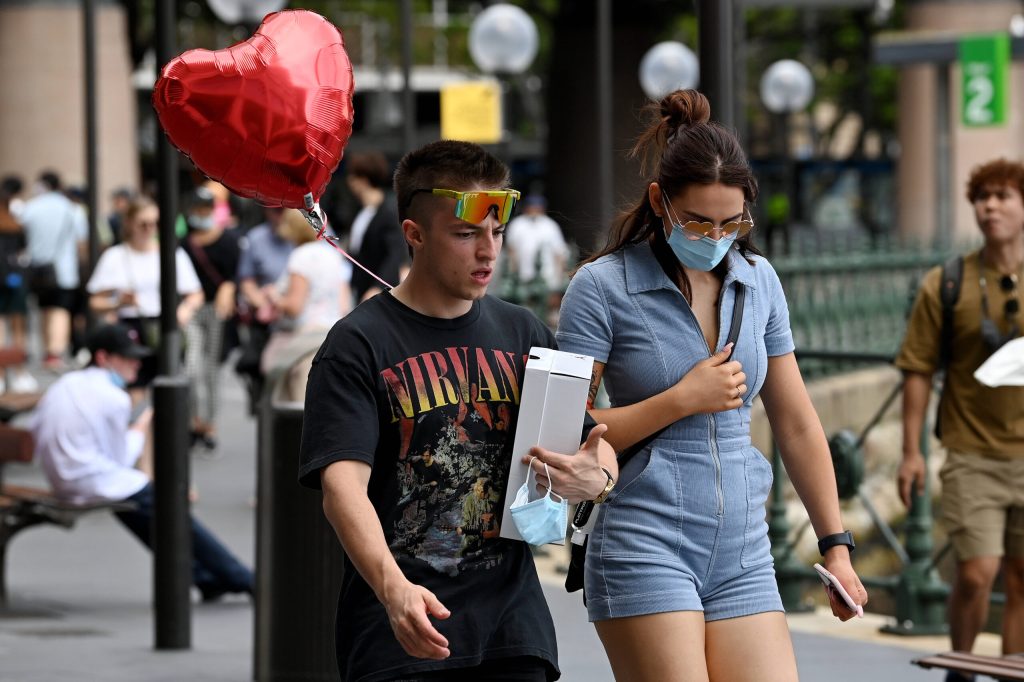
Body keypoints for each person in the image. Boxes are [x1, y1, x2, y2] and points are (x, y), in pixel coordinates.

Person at [552, 90, 867, 682]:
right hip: (643, 539)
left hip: (743, 546)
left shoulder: (759, 281)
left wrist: (836, 545)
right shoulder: (601, 287)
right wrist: (681, 400)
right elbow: (570, 427)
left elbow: (797, 422)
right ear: (659, 202)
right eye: (698, 220)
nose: (716, 235)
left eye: (733, 222)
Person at [298, 139, 618, 682]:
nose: (487, 251)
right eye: (466, 233)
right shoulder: (357, 345)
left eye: (496, 232)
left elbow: (590, 442)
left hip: (514, 636)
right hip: (401, 636)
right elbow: (342, 488)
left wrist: (597, 475)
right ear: (414, 235)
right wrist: (392, 588)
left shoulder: (524, 331)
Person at [896, 158, 1024, 681]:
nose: (989, 206)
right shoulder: (947, 282)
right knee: (976, 574)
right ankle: (962, 670)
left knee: (1021, 580)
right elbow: (918, 369)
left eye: (1003, 196)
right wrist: (910, 452)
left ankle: (1011, 673)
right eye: (981, 196)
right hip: (972, 455)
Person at [30, 323, 254, 602]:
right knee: (170, 513)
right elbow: (121, 459)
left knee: (147, 513)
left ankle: (204, 577)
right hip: (90, 479)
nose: (137, 364)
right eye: (128, 357)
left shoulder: (65, 384)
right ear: (103, 357)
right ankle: (245, 579)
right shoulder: (113, 397)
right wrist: (139, 428)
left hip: (64, 478)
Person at [86, 197, 203, 395]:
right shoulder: (115, 256)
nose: (150, 229)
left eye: (155, 223)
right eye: (144, 224)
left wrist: (184, 310)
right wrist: (118, 303)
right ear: (129, 223)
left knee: (167, 388)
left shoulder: (172, 254)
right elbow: (95, 301)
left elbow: (195, 294)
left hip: (164, 325)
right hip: (129, 327)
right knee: (134, 388)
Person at [259, 208, 350, 401]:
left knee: (299, 406)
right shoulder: (333, 255)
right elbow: (344, 304)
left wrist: (274, 297)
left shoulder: (301, 256)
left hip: (306, 339)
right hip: (333, 336)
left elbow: (294, 307)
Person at [180, 187, 242, 450]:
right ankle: (195, 420)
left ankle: (210, 424)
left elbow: (238, 274)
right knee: (192, 369)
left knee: (213, 372)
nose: (201, 214)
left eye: (206, 209)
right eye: (197, 209)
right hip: (192, 310)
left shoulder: (228, 240)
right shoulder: (183, 243)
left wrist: (229, 288)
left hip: (218, 312)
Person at [19, 170, 88, 369]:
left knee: (43, 308)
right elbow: (81, 242)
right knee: (61, 310)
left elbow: (21, 234)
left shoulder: (31, 207)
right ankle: (55, 352)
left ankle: (46, 349)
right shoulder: (72, 209)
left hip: (37, 268)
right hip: (65, 269)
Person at [235, 206, 294, 411]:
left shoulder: (312, 236)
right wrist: (263, 303)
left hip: (298, 323)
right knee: (268, 387)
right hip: (268, 323)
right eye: (274, 210)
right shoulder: (256, 238)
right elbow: (246, 280)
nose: (280, 216)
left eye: (284, 210)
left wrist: (282, 303)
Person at [344, 150, 409, 303]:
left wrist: (378, 287)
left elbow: (395, 254)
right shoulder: (361, 213)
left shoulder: (388, 213)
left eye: (353, 177)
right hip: (360, 289)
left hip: (376, 293)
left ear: (363, 180)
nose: (349, 182)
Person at [504, 194, 570, 323]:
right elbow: (511, 252)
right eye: (531, 207)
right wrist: (512, 273)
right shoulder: (517, 224)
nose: (534, 210)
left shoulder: (550, 226)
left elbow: (559, 254)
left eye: (537, 207)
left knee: (547, 313)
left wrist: (558, 280)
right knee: (526, 310)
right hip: (524, 276)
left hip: (546, 277)